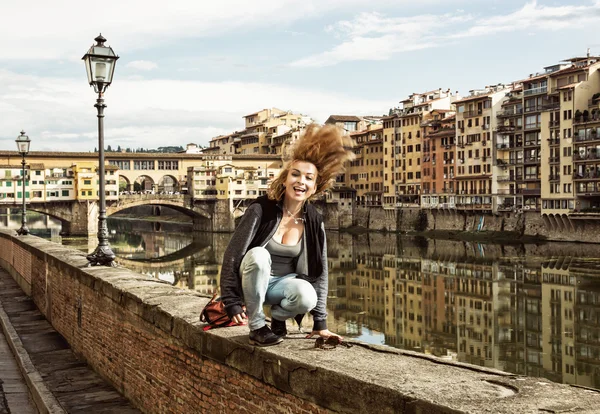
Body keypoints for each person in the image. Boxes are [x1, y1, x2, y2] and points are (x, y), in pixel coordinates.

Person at [219, 124, 354, 346]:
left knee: (307, 295)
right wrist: (231, 300)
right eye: (296, 174)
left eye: (308, 178)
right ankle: (257, 326)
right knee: (259, 256)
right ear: (285, 179)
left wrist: (320, 323)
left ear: (314, 186)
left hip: (282, 287)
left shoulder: (314, 220)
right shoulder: (261, 209)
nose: (301, 181)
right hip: (252, 282)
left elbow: (321, 272)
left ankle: (278, 319)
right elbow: (232, 256)